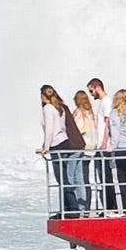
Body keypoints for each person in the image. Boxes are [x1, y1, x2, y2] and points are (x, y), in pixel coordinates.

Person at [38, 84, 82, 213]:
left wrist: (46, 147)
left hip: (56, 145)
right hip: (65, 142)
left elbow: (49, 129)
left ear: (42, 96)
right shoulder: (59, 107)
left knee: (62, 179)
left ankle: (72, 209)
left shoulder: (48, 108)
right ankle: (67, 209)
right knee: (65, 178)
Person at [103, 88, 126, 210]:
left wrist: (111, 146)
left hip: (120, 149)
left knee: (119, 180)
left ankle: (122, 208)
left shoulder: (115, 112)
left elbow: (115, 132)